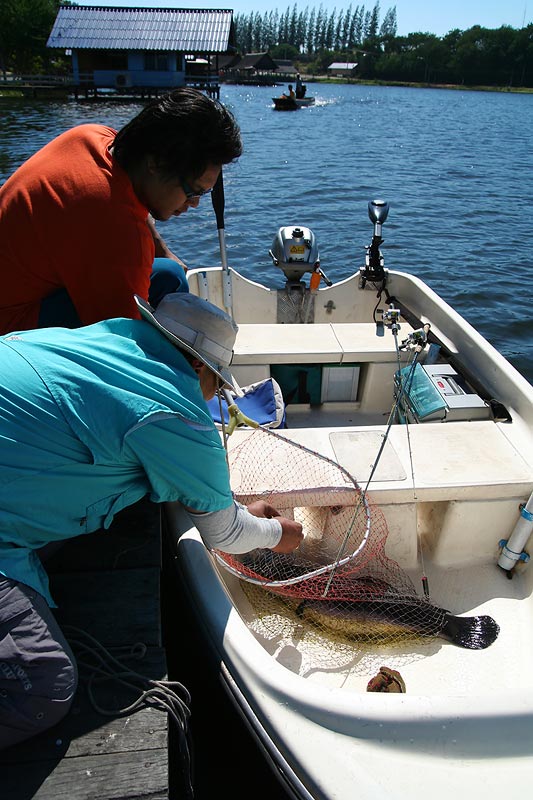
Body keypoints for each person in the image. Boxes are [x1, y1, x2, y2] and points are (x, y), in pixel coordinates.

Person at [0, 291, 303, 749]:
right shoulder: (178, 410)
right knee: (46, 685)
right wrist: (283, 535)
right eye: (218, 384)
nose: (213, 396)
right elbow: (225, 533)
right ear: (200, 366)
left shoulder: (102, 337)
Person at [0, 88, 242, 334]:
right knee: (149, 329)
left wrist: (162, 249)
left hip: (23, 291)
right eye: (192, 191)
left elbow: (123, 197)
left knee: (168, 274)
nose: (195, 204)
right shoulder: (117, 232)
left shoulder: (93, 137)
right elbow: (123, 351)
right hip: (10, 331)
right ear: (156, 163)